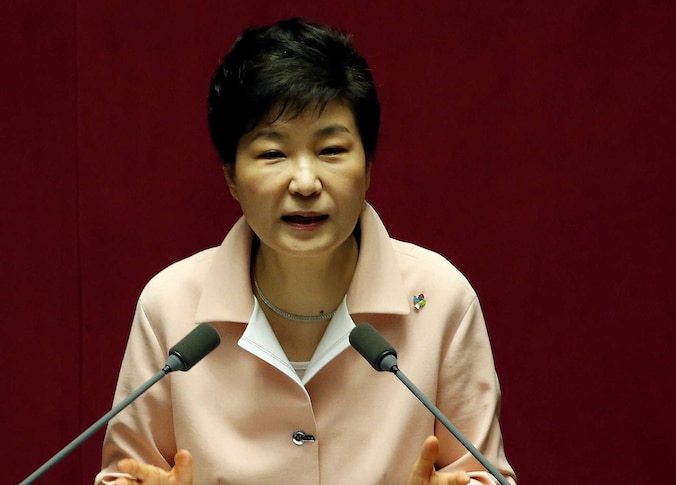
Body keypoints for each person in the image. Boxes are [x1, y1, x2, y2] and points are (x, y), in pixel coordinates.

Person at [96, 18, 516, 485]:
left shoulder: (439, 299)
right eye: (273, 154)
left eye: (331, 150)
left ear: (369, 165)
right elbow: (126, 474)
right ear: (231, 176)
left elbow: (484, 475)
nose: (305, 183)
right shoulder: (170, 306)